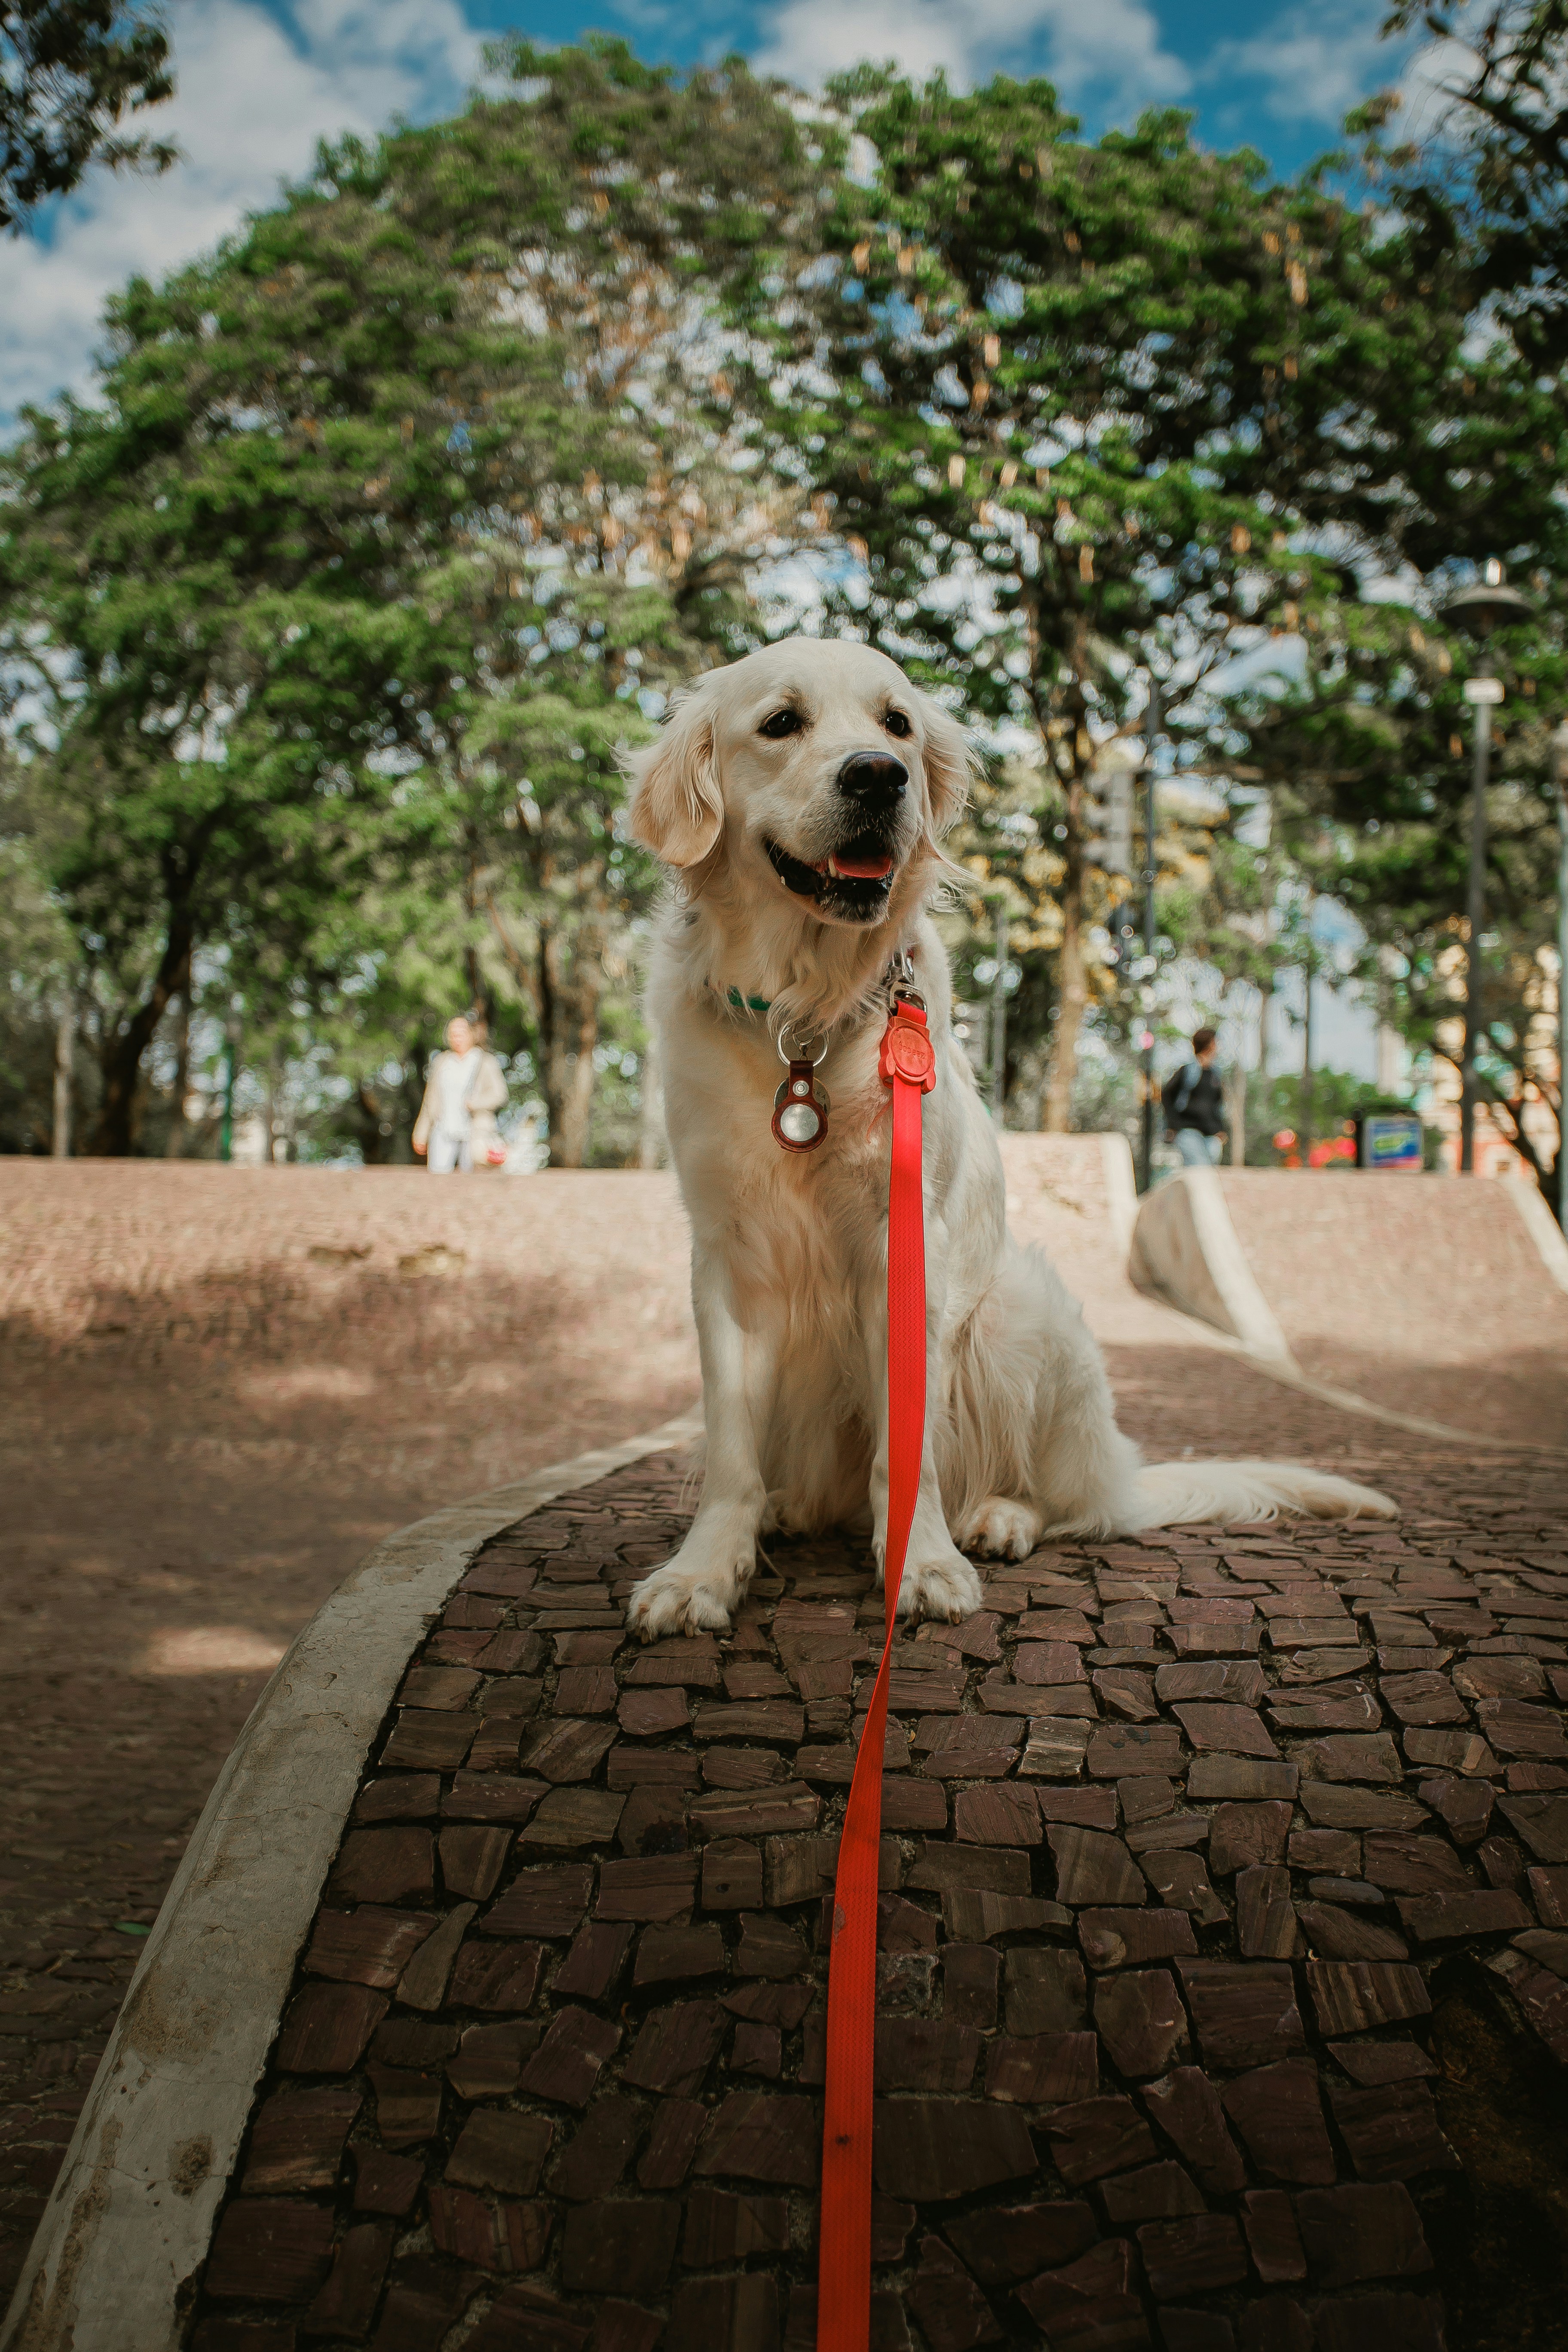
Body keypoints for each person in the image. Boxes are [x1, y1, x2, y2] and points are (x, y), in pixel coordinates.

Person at [411, 1015, 508, 1173]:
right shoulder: (442, 1062)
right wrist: (421, 1133)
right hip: (443, 1128)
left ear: (471, 1035)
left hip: (474, 1131)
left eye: (460, 1033)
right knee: (438, 1177)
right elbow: (430, 1100)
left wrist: (475, 1103)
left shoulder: (485, 1061)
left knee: (471, 1180)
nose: (456, 1038)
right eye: (453, 1034)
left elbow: (500, 1095)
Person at [1162, 1026, 1227, 1168]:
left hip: (1211, 1135)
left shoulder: (1216, 1074)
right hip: (1188, 1130)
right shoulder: (1188, 1071)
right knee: (1199, 1169)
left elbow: (1218, 1104)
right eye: (1216, 1042)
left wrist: (1221, 1129)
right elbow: (1167, 1094)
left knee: (1210, 1174)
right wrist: (1174, 1125)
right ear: (1209, 1044)